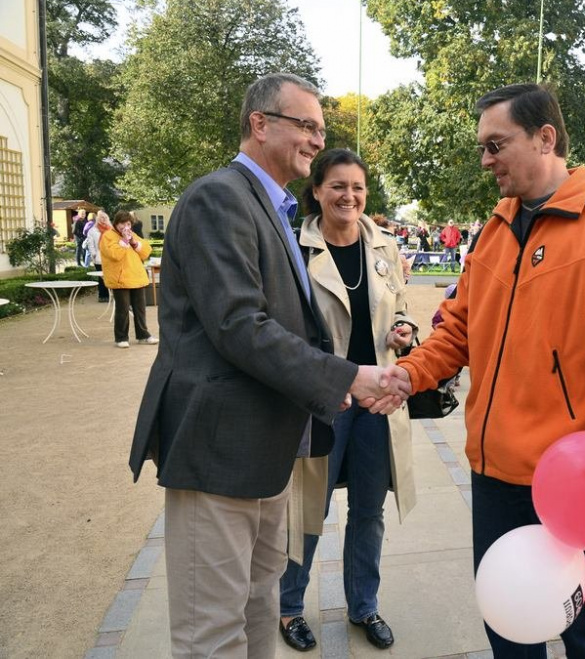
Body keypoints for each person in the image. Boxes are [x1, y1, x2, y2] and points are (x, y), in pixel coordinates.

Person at [128, 73, 410, 658]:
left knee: (258, 608)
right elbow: (239, 326)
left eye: (321, 129)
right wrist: (345, 376)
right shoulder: (218, 197)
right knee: (213, 629)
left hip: (266, 451)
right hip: (220, 453)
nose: (315, 139)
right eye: (305, 125)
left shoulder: (270, 206)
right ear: (260, 124)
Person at [396, 83, 585, 657]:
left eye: (496, 144)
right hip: (495, 474)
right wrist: (407, 375)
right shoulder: (495, 229)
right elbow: (458, 331)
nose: (485, 159)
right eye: (482, 148)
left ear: (546, 138)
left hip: (580, 484)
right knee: (509, 625)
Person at [276, 149, 418, 652]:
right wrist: (323, 382)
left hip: (376, 401)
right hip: (324, 400)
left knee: (368, 511)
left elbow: (401, 306)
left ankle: (364, 606)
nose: (349, 196)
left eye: (357, 187)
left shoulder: (383, 244)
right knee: (305, 510)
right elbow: (283, 330)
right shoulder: (294, 246)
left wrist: (405, 330)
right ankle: (289, 607)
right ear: (315, 191)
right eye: (337, 186)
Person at [99, 211, 157, 348]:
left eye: (129, 224)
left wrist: (134, 242)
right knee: (122, 309)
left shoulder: (133, 235)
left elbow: (146, 251)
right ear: (116, 223)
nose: (126, 227)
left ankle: (143, 335)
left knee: (140, 309)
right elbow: (114, 255)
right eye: (122, 224)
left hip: (136, 277)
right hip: (120, 279)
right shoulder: (107, 236)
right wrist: (124, 241)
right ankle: (121, 338)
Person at [84, 211, 110, 302]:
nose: (103, 219)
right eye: (101, 218)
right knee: (101, 277)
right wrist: (93, 254)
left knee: (109, 276)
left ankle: (109, 294)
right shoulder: (92, 230)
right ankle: (102, 295)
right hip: (98, 258)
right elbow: (90, 244)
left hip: (110, 257)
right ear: (97, 219)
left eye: (104, 217)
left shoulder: (110, 229)